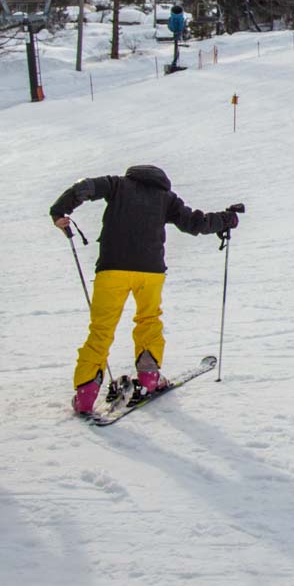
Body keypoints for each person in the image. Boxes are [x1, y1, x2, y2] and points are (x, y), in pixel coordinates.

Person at [51, 166, 241, 414]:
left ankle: (86, 395)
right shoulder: (166, 198)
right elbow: (196, 223)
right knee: (148, 319)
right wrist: (228, 219)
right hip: (150, 272)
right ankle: (149, 377)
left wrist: (58, 211)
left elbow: (84, 188)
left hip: (112, 270)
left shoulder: (117, 184)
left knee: (101, 329)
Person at [168, 4, 188, 69]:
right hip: (177, 33)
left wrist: (175, 31)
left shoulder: (172, 18)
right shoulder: (181, 18)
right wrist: (180, 31)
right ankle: (174, 62)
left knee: (176, 48)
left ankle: (174, 62)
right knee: (176, 48)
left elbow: (170, 26)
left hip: (176, 32)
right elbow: (181, 26)